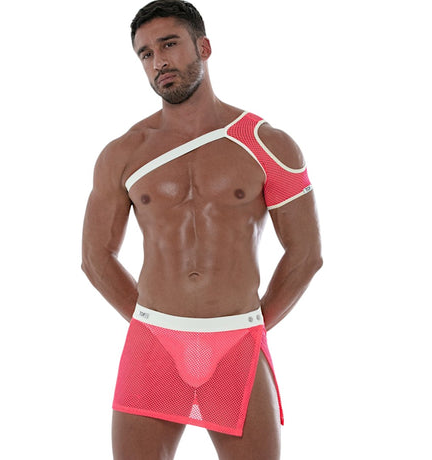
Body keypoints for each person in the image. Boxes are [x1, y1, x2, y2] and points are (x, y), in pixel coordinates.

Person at [81, 1, 322, 458]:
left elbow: (306, 253)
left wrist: (251, 328)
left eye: (169, 45)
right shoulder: (123, 153)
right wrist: (154, 325)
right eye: (146, 54)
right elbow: (95, 257)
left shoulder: (267, 144)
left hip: (237, 341)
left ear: (204, 47)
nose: (158, 62)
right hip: (153, 344)